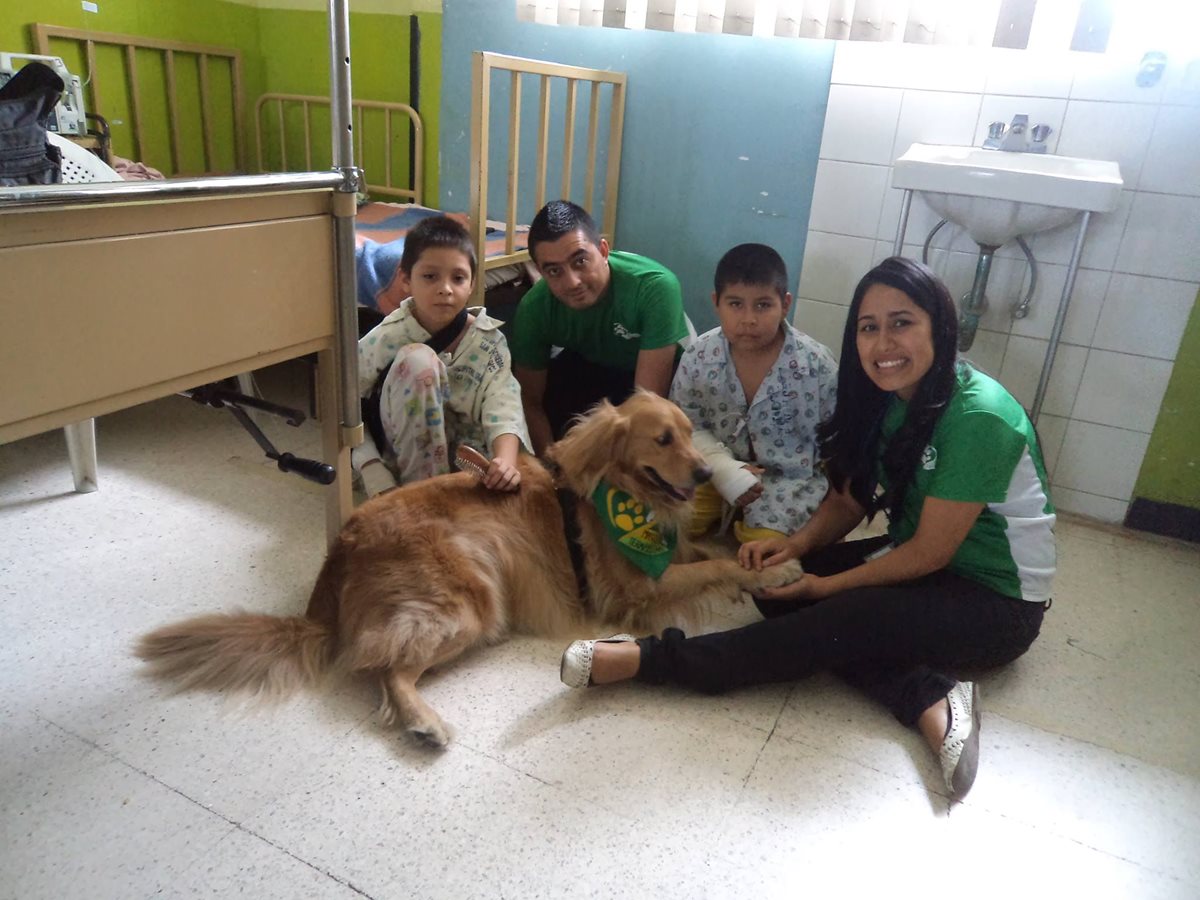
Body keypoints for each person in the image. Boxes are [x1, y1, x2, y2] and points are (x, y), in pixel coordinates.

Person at [558, 256, 1056, 801]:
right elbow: (848, 498)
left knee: (834, 613)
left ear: (939, 325)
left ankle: (650, 660)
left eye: (902, 322)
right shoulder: (892, 399)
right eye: (868, 327)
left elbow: (928, 554)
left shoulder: (978, 415)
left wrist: (826, 589)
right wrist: (792, 546)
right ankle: (929, 696)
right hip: (926, 564)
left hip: (993, 603)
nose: (883, 343)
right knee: (778, 584)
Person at [353, 215, 531, 497]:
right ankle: (423, 495)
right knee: (418, 362)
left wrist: (505, 462)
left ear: (471, 284)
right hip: (409, 472)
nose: (445, 288)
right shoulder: (386, 337)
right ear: (405, 279)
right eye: (430, 276)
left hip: (472, 471)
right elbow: (346, 405)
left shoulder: (489, 343)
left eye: (458, 278)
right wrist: (370, 465)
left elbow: (504, 405)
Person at [671, 243, 836, 543]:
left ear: (785, 304)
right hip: (711, 468)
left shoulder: (816, 365)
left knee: (766, 546)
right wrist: (726, 470)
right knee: (671, 523)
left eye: (763, 305)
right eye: (735, 304)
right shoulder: (698, 357)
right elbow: (684, 426)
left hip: (786, 479)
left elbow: (836, 440)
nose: (748, 319)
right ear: (716, 302)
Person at [509, 200, 691, 454]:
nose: (572, 282)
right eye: (554, 271)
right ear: (540, 271)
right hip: (595, 365)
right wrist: (552, 463)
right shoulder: (534, 308)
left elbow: (648, 409)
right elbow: (530, 401)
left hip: (655, 378)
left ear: (604, 251)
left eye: (580, 261)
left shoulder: (654, 288)